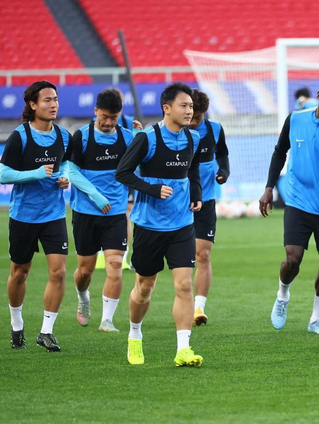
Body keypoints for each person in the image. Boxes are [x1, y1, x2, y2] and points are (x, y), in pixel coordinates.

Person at [115, 82, 204, 367]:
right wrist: (152, 189)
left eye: (191, 106)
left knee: (184, 286)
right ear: (167, 108)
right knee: (144, 288)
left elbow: (192, 169)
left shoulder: (193, 138)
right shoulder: (147, 138)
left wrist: (196, 194)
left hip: (182, 224)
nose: (189, 111)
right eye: (183, 105)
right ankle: (135, 334)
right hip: (149, 225)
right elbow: (122, 173)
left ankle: (183, 349)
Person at [261, 80, 319, 335]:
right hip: (297, 203)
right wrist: (269, 187)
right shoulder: (296, 119)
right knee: (293, 259)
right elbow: (279, 152)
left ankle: (316, 320)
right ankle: (282, 295)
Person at [0, 81, 72, 351]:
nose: (53, 105)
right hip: (24, 216)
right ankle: (17, 324)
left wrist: (64, 178)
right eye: (47, 100)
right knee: (20, 273)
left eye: (56, 99)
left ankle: (46, 331)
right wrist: (37, 173)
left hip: (53, 214)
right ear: (33, 105)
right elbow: (3, 174)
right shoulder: (20, 136)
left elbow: (67, 164)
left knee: (59, 272)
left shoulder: (64, 135)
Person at [68, 89, 135, 332]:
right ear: (95, 111)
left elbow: (139, 166)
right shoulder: (82, 136)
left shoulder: (127, 137)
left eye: (113, 118)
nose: (108, 122)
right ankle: (83, 298)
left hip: (115, 214)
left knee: (115, 265)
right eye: (104, 116)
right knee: (85, 271)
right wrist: (96, 196)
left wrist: (141, 138)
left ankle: (107, 320)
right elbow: (72, 172)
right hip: (86, 213)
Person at [189, 89, 230, 326]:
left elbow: (222, 153)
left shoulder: (214, 129)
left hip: (206, 201)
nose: (194, 121)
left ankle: (198, 308)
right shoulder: (174, 131)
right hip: (176, 202)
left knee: (203, 254)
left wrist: (223, 171)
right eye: (192, 116)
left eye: (199, 117)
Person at [93, 88, 142, 271]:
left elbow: (137, 150)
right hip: (101, 178)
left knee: (126, 213)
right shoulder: (94, 125)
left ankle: (124, 255)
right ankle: (100, 252)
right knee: (101, 211)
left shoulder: (129, 123)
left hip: (124, 177)